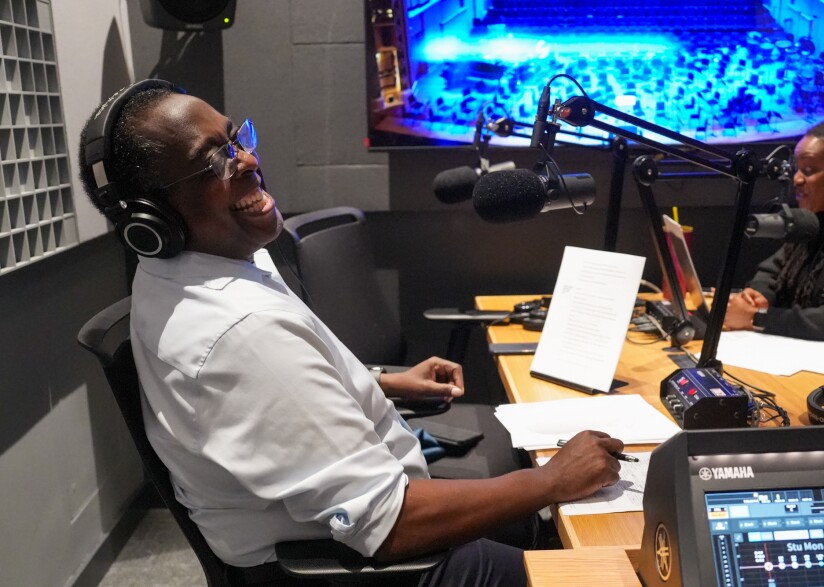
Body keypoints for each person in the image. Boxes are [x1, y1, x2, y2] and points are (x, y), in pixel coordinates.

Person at [77, 79, 624, 586]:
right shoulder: (237, 332)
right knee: (611, 570)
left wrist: (382, 381)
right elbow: (389, 526)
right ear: (152, 220)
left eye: (235, 137)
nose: (246, 160)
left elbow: (277, 390)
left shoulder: (194, 266)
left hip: (366, 524)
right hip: (377, 559)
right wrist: (553, 480)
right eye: (212, 160)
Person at [724, 117, 824, 352]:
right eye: (797, 169)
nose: (797, 179)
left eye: (809, 170)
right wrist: (758, 295)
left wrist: (759, 317)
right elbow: (771, 271)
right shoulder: (816, 225)